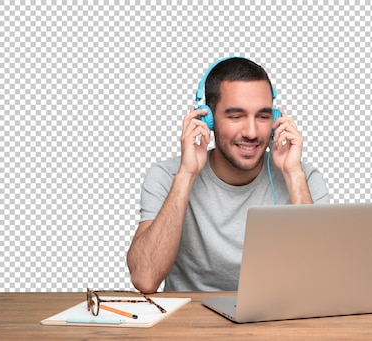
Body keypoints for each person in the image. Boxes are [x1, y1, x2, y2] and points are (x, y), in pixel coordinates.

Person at [127, 57, 330, 293]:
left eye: (263, 116)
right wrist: (186, 174)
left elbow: (323, 280)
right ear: (208, 119)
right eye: (236, 116)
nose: (252, 132)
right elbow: (144, 278)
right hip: (190, 323)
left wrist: (294, 175)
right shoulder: (166, 175)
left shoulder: (304, 178)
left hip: (274, 321)